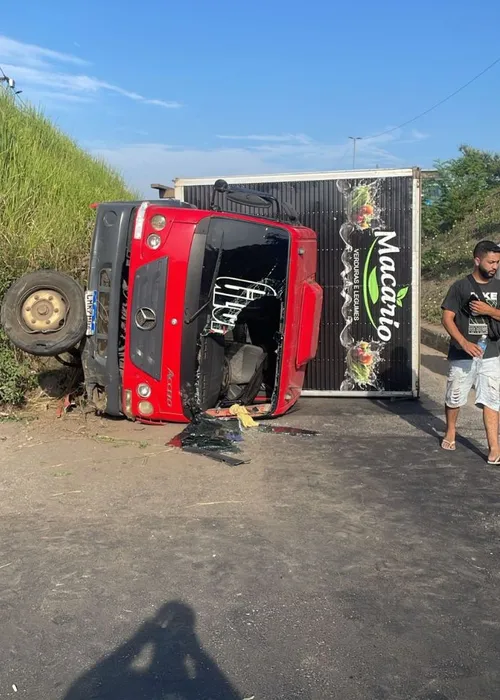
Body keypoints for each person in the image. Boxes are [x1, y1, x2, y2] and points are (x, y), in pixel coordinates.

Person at [441, 240, 500, 464]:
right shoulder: (460, 287)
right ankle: (451, 430)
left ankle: (494, 447)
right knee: (454, 396)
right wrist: (463, 343)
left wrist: (490, 310)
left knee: (492, 399)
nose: (495, 266)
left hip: (491, 353)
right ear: (477, 260)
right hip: (463, 353)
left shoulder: (499, 287)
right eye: (491, 261)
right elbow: (447, 318)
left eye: (497, 262)